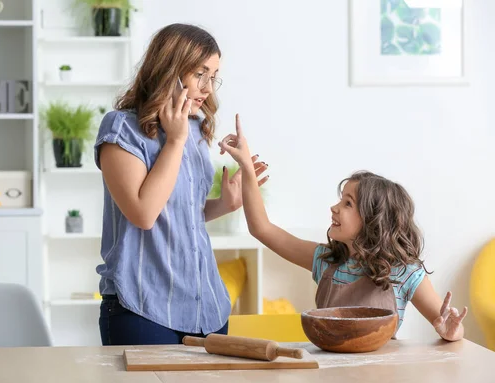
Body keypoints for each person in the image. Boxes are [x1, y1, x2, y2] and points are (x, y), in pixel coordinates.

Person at [218, 115, 467, 341]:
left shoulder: (405, 272)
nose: (334, 208)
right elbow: (262, 228)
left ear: (373, 220)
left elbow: (446, 326)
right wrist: (247, 170)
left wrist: (452, 331)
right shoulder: (325, 261)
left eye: (348, 203)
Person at [93, 24, 268, 345]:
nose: (207, 88)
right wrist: (174, 141)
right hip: (142, 307)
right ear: (169, 70)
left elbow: (180, 213)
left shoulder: (196, 128)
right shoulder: (121, 128)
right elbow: (144, 213)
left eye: (213, 76)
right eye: (200, 73)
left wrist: (225, 204)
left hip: (207, 308)